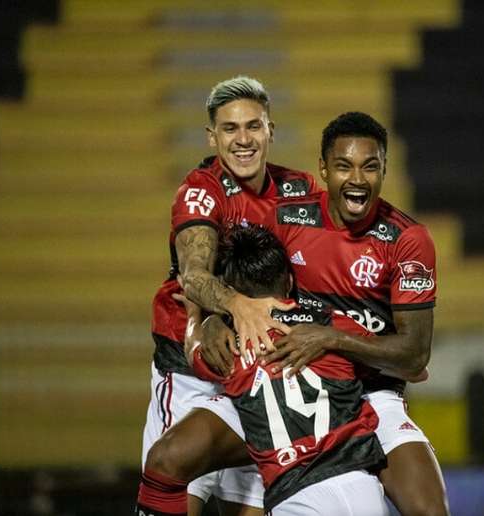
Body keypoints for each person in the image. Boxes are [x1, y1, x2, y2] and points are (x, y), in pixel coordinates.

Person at [136, 76, 319, 516]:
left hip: (261, 377)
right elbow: (193, 276)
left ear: (270, 131)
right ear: (212, 136)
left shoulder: (301, 192)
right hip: (193, 376)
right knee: (177, 489)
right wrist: (234, 307)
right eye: (230, 128)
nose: (243, 139)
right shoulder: (202, 191)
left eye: (253, 126)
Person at [261, 112, 450, 516]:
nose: (357, 180)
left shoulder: (408, 240)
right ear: (324, 169)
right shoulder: (287, 221)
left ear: (384, 169)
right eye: (344, 166)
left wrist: (330, 338)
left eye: (370, 166)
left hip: (374, 395)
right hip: (305, 392)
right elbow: (249, 290)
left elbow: (415, 354)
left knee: (431, 510)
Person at [180, 224, 390, 515]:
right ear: (289, 282)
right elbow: (392, 361)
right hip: (359, 483)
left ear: (235, 293)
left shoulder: (230, 345)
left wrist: (197, 313)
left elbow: (192, 351)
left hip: (294, 489)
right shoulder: (334, 324)